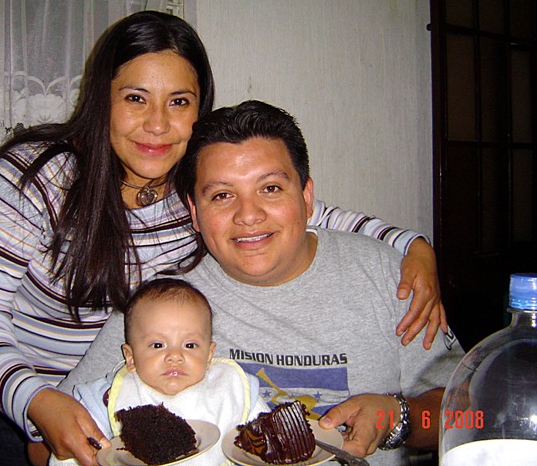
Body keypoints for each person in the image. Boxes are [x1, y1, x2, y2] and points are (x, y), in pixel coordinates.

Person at [0, 11, 443, 466]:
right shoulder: (38, 179)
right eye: (135, 98)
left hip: (141, 372)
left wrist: (412, 247)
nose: (157, 123)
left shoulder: (197, 189)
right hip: (21, 388)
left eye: (179, 101)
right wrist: (35, 400)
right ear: (102, 100)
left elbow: (301, 215)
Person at [62, 100, 465, 466]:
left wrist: (399, 417)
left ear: (306, 197)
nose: (248, 215)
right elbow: (52, 435)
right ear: (195, 213)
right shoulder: (162, 302)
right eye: (222, 195)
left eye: (270, 188)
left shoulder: (387, 276)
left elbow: (470, 413)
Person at [49, 277, 269, 466]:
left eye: (190, 345)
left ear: (209, 355)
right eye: (157, 345)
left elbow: (270, 439)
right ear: (131, 357)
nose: (175, 355)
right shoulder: (107, 398)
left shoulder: (230, 387)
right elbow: (72, 447)